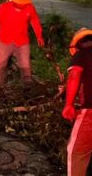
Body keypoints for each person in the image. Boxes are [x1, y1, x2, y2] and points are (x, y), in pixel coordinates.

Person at [63, 28, 92, 176]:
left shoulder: (82, 54)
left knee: (76, 152)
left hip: (90, 112)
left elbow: (75, 75)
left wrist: (68, 105)